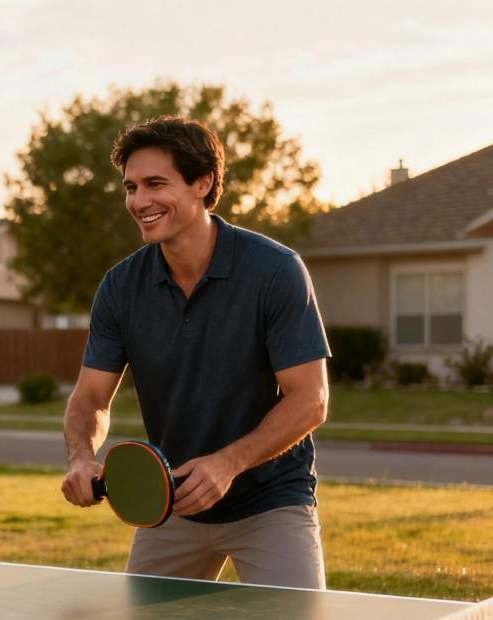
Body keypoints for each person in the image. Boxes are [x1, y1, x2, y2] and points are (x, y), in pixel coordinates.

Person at [60, 117, 331, 589]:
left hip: (271, 502)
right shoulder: (121, 287)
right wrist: (81, 457)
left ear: (203, 183)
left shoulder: (275, 271)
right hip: (173, 507)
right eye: (130, 187)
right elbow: (90, 399)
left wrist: (226, 463)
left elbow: (310, 400)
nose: (139, 201)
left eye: (155, 184)